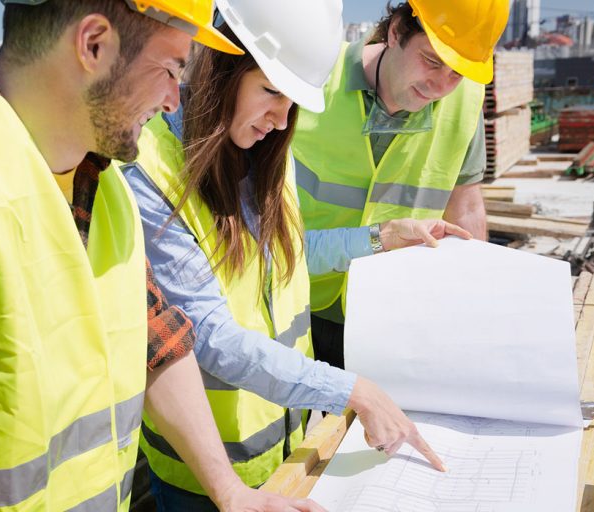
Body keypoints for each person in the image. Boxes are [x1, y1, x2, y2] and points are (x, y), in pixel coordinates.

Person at [0, 0, 323, 510]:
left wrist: (231, 494)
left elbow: (157, 342)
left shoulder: (100, 182)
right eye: (168, 69)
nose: (173, 101)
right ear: (93, 44)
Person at [124, 1, 470, 509]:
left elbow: (286, 258)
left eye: (292, 103)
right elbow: (207, 335)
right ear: (224, 68)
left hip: (287, 451)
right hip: (205, 475)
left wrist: (381, 237)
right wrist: (354, 392)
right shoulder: (150, 171)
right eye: (269, 92)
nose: (280, 119)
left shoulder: (262, 150)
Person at [290, 0, 510, 369]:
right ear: (396, 32)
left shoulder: (465, 102)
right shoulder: (317, 78)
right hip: (297, 295)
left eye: (457, 72)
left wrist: (474, 302)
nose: (440, 85)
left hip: (389, 312)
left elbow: (467, 206)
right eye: (432, 61)